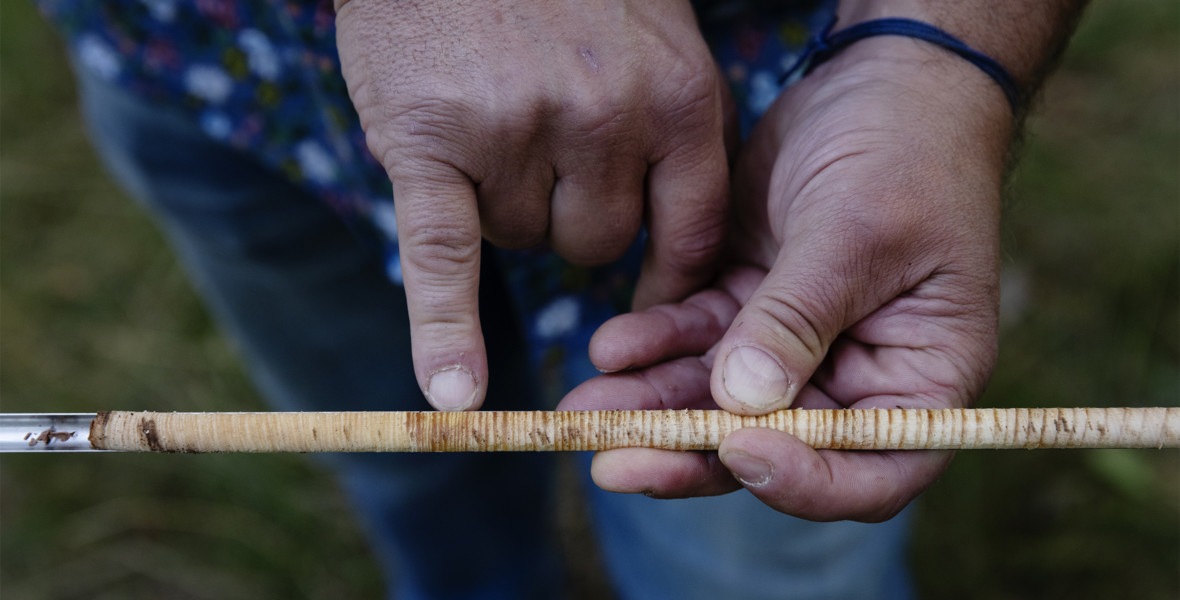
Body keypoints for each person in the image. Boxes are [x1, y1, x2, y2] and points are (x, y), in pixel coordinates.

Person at [37, 0, 1085, 597]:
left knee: (763, 559)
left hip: (768, 132)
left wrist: (937, 58)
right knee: (407, 480)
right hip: (224, 83)